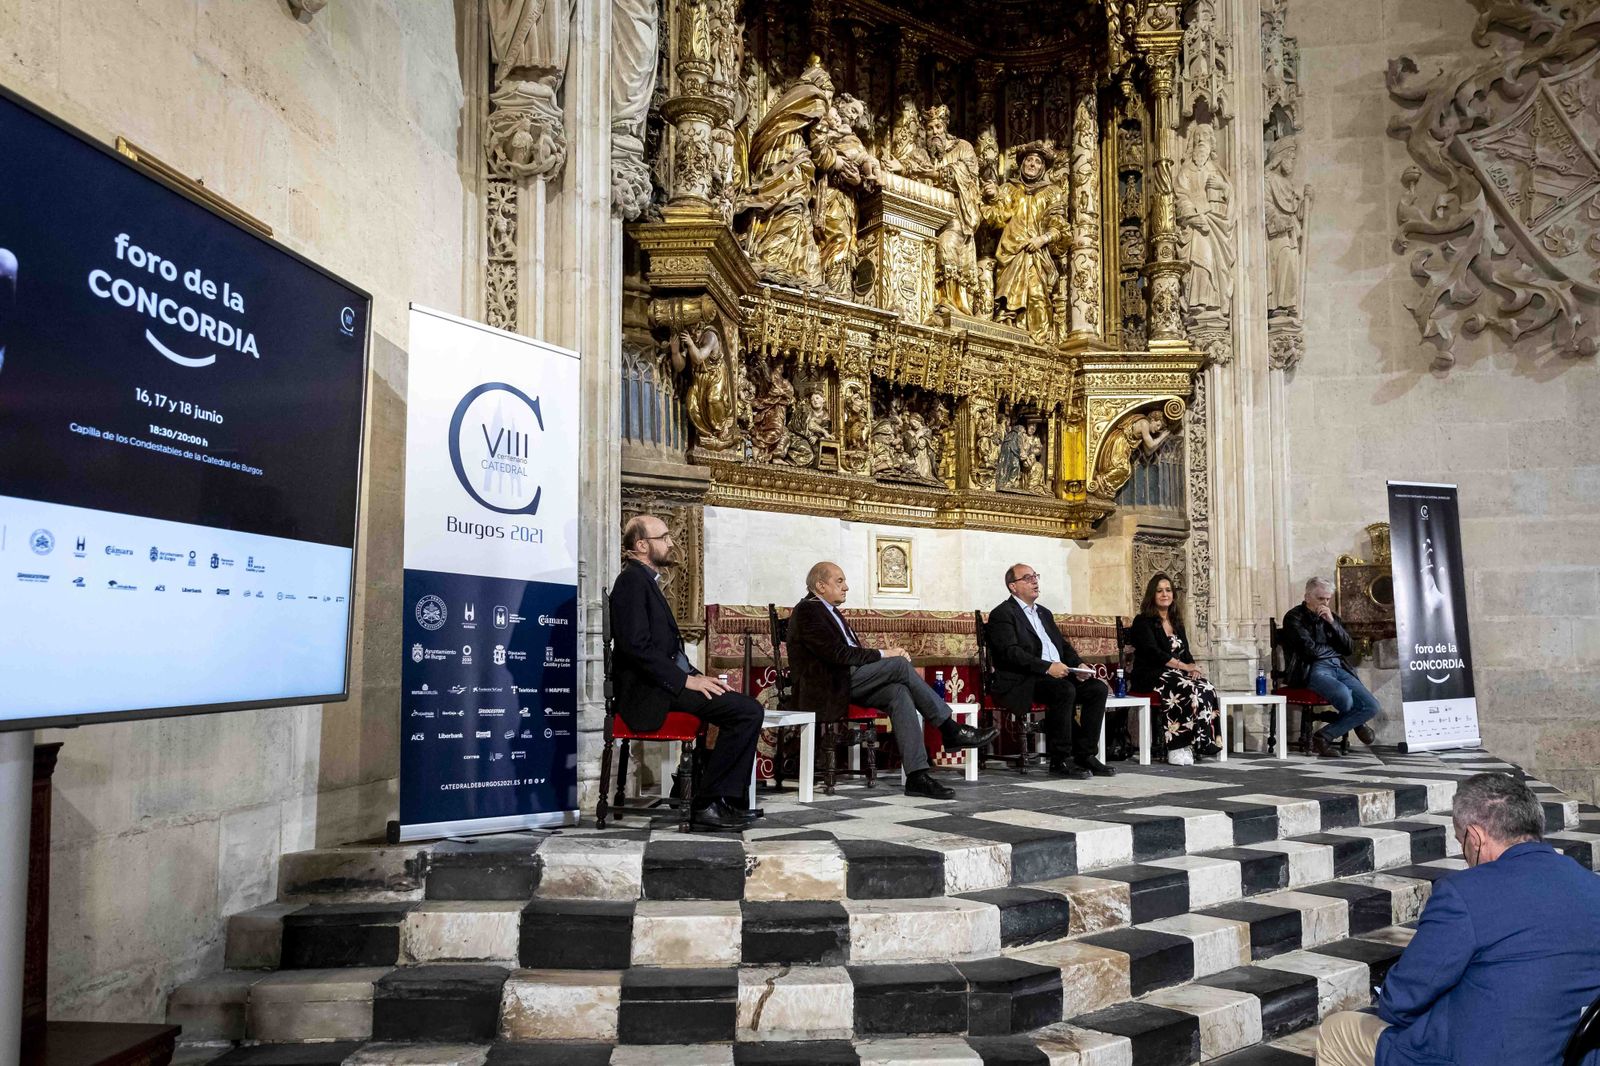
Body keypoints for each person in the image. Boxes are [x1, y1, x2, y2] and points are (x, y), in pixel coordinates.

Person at [1316, 772, 1600, 1066]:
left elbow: (1400, 1002)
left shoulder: (1464, 893)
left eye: (1460, 841)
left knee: (1338, 1032)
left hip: (1482, 1055)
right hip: (1573, 1056)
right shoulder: (1592, 886)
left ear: (1475, 838)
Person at [788, 562, 998, 799]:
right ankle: (949, 728)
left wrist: (880, 657)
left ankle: (917, 776)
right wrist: (884, 654)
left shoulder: (830, 611)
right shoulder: (808, 610)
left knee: (898, 692)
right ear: (820, 585)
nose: (846, 587)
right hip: (827, 685)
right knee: (898, 664)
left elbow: (849, 653)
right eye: (839, 581)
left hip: (848, 679)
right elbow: (837, 655)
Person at [609, 514, 764, 831]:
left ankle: (713, 800)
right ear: (641, 545)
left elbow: (668, 651)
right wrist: (685, 680)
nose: (671, 543)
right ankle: (710, 803)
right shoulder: (630, 582)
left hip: (663, 685)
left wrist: (697, 676)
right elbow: (636, 647)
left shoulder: (645, 581)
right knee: (746, 711)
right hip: (648, 692)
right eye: (663, 537)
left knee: (735, 702)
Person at [985, 564, 1115, 779]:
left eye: (1035, 576)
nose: (1035, 581)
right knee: (1063, 690)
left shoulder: (1044, 613)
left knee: (1096, 689)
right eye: (1027, 578)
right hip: (1023, 679)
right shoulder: (1003, 614)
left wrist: (1079, 665)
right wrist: (1047, 667)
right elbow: (1011, 653)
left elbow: (1062, 647)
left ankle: (1085, 755)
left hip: (1055, 675)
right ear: (1013, 586)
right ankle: (1060, 759)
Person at [1129, 572, 1220, 764]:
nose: (1164, 594)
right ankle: (1177, 747)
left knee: (1206, 687)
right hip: (1150, 675)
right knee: (1184, 688)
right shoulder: (1143, 621)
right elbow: (1154, 653)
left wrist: (1192, 667)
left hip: (1175, 673)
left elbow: (1185, 652)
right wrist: (1183, 666)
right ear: (1152, 595)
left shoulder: (1176, 621)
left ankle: (1204, 740)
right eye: (1159, 591)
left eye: (1168, 590)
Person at [1282, 576, 1379, 758]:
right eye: (1321, 599)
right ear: (1307, 596)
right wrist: (1334, 651)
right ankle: (1356, 722)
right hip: (1312, 669)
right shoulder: (1294, 617)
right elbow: (1309, 650)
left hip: (1339, 667)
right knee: (1345, 698)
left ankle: (1323, 736)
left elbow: (1349, 648)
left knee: (1371, 706)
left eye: (1328, 599)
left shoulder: (1332, 618)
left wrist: (1333, 625)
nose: (1325, 603)